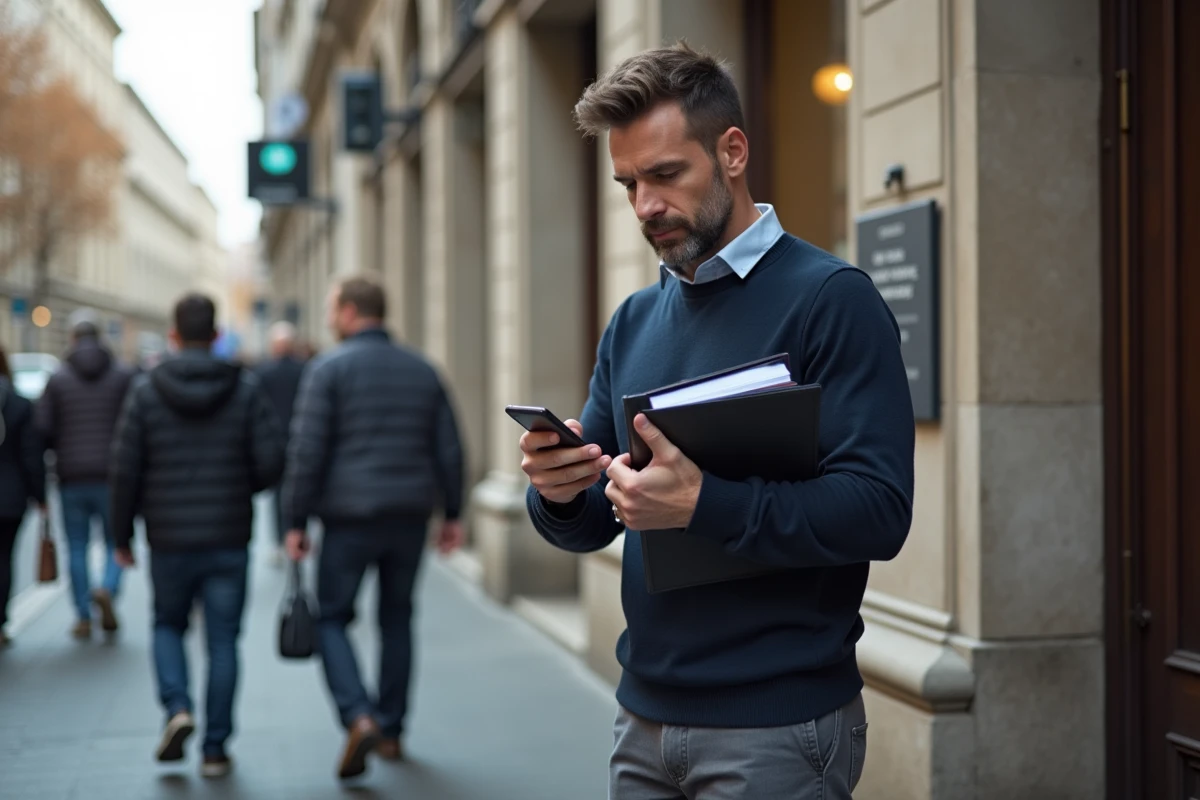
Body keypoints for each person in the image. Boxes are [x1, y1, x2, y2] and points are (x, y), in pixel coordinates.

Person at [519, 43, 916, 799]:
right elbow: (594, 525)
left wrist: (706, 503)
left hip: (779, 726)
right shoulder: (634, 319)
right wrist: (558, 488)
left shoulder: (832, 298)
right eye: (629, 184)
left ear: (731, 152)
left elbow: (879, 512)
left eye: (666, 176)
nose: (644, 207)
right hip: (641, 718)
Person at [282, 274, 465, 781]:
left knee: (332, 618)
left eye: (329, 307)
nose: (327, 317)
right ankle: (390, 729)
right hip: (408, 515)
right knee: (397, 619)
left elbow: (306, 452)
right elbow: (449, 448)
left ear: (347, 311)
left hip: (348, 519)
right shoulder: (422, 370)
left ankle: (357, 715)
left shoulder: (327, 370)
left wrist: (294, 520)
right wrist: (453, 513)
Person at [110, 294, 284, 778]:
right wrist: (239, 486)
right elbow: (272, 463)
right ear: (214, 336)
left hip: (167, 538)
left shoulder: (145, 391)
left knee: (168, 624)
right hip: (228, 534)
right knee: (223, 640)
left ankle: (177, 708)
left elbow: (125, 470)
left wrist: (120, 535)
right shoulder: (244, 388)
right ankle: (215, 749)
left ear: (172, 335)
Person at [35, 314, 133, 639]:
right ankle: (107, 588)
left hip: (72, 476)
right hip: (112, 475)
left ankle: (82, 614)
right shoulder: (121, 376)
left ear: (73, 339)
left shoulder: (58, 379)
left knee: (76, 545)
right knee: (114, 540)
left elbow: (43, 429)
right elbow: (134, 425)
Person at [0, 343, 46, 647]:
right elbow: (31, 455)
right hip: (9, 496)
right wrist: (40, 495)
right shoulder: (17, 403)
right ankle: (0, 623)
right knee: (4, 558)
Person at [253, 321, 306, 564]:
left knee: (278, 496)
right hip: (301, 439)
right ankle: (297, 534)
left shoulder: (263, 372)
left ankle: (278, 542)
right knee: (299, 490)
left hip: (273, 441)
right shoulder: (305, 370)